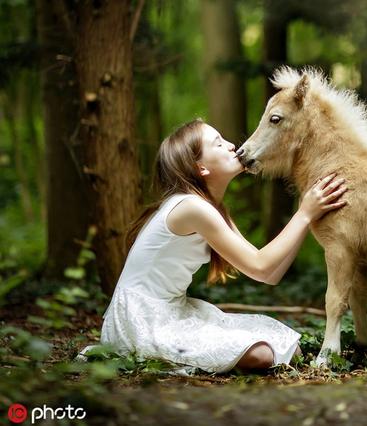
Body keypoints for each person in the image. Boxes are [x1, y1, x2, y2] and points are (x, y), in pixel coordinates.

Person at [78, 118, 347, 373]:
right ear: (201, 168)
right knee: (264, 353)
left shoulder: (211, 208)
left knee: (286, 344)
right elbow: (261, 266)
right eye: (218, 143)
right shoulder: (192, 207)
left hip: (171, 311)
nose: (231, 145)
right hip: (142, 319)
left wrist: (307, 216)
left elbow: (269, 273)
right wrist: (304, 213)